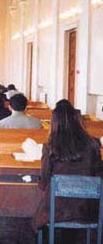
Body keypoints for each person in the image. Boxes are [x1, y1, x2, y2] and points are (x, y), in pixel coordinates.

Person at [32, 99, 103, 235]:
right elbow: (99, 176)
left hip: (57, 210)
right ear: (78, 121)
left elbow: (43, 183)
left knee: (40, 210)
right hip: (87, 210)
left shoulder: (50, 147)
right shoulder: (93, 144)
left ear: (54, 123)